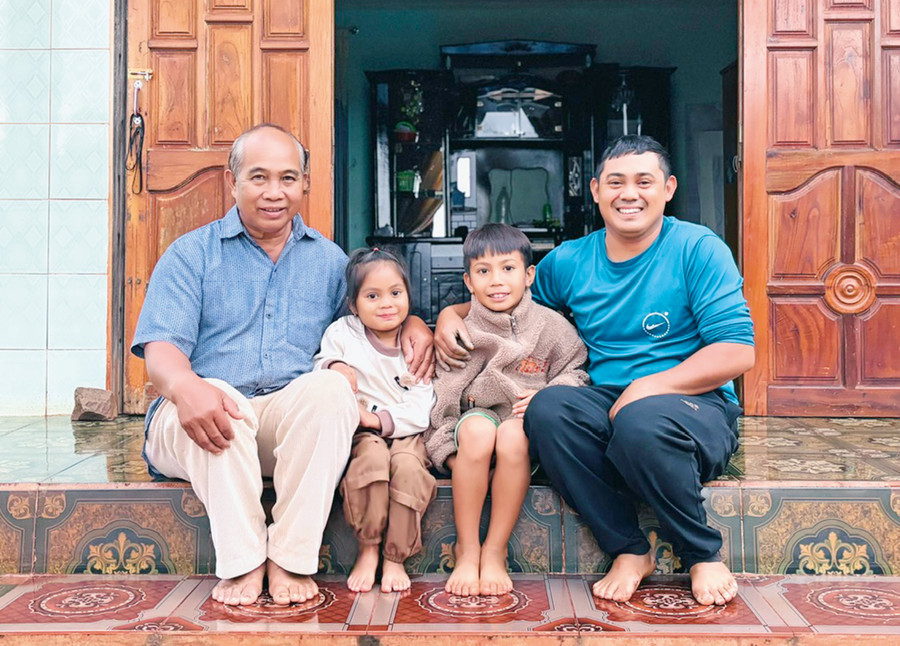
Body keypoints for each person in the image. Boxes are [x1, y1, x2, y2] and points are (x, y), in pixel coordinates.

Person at [434, 135, 755, 606]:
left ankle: (701, 553)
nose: (630, 194)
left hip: (696, 403)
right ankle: (628, 549)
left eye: (644, 181)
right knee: (547, 408)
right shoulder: (570, 260)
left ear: (667, 188)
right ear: (596, 190)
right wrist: (446, 317)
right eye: (616, 182)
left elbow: (736, 352)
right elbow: (505, 298)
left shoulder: (697, 249)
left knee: (641, 420)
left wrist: (649, 386)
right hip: (609, 402)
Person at [131, 124, 434, 607]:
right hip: (197, 417)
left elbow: (370, 320)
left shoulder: (330, 262)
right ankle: (244, 562)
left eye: (288, 178)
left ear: (305, 184)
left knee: (332, 389)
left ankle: (291, 558)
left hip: (282, 424)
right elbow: (161, 349)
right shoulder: (192, 254)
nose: (275, 193)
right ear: (233, 182)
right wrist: (187, 388)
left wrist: (415, 321)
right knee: (221, 400)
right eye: (259, 178)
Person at [426, 223, 589, 597]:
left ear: (529, 274)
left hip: (521, 432)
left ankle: (494, 550)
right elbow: (445, 395)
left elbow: (577, 372)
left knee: (514, 433)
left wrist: (550, 395)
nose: (496, 281)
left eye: (508, 268)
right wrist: (444, 449)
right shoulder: (462, 332)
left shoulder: (552, 327)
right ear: (468, 281)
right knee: (480, 430)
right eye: (483, 271)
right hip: (473, 433)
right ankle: (467, 549)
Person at [314, 248, 436, 594]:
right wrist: (335, 366)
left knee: (409, 469)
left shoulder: (413, 343)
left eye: (396, 294)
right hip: (360, 429)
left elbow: (421, 402)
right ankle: (368, 548)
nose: (387, 304)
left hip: (404, 430)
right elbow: (322, 365)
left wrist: (380, 419)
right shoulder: (343, 333)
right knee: (370, 462)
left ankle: (395, 556)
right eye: (372, 296)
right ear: (353, 305)